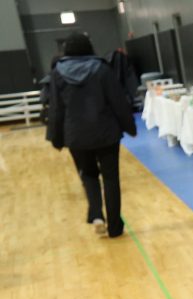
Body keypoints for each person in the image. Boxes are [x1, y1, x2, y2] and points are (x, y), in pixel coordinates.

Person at [46, 32, 136, 238]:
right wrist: (129, 127)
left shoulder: (58, 73)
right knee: (111, 178)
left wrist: (56, 137)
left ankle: (96, 214)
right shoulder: (102, 69)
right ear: (89, 47)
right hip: (106, 133)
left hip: (76, 135)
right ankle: (115, 227)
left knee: (88, 175)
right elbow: (118, 100)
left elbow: (56, 109)